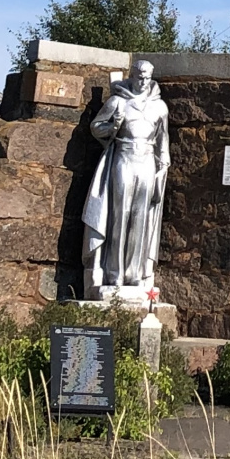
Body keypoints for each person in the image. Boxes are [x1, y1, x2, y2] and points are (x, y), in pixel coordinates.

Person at [80, 58, 170, 300]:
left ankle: (135, 274)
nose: (143, 80)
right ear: (131, 75)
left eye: (148, 76)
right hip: (124, 156)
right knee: (119, 214)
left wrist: (163, 168)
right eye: (140, 75)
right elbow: (96, 127)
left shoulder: (160, 107)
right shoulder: (118, 101)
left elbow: (163, 144)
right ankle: (114, 273)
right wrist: (113, 127)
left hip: (147, 161)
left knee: (141, 218)